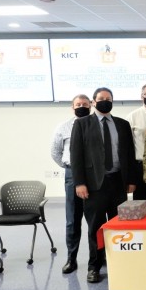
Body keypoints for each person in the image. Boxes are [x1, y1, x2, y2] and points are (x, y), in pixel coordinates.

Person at [70, 87, 137, 283]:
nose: (104, 101)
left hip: (118, 183)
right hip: (93, 186)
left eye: (108, 99)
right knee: (96, 228)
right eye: (101, 99)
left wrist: (131, 180)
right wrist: (80, 183)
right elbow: (76, 157)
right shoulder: (82, 124)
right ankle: (94, 267)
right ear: (93, 102)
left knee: (118, 228)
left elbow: (129, 155)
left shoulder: (122, 124)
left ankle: (119, 265)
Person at [50, 94, 91, 274]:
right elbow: (55, 152)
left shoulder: (96, 124)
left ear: (91, 105)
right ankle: (71, 259)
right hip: (72, 174)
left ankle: (97, 258)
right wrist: (70, 167)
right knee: (72, 219)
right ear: (72, 107)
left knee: (94, 219)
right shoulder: (63, 127)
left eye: (85, 104)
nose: (81, 106)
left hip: (93, 175)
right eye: (78, 104)